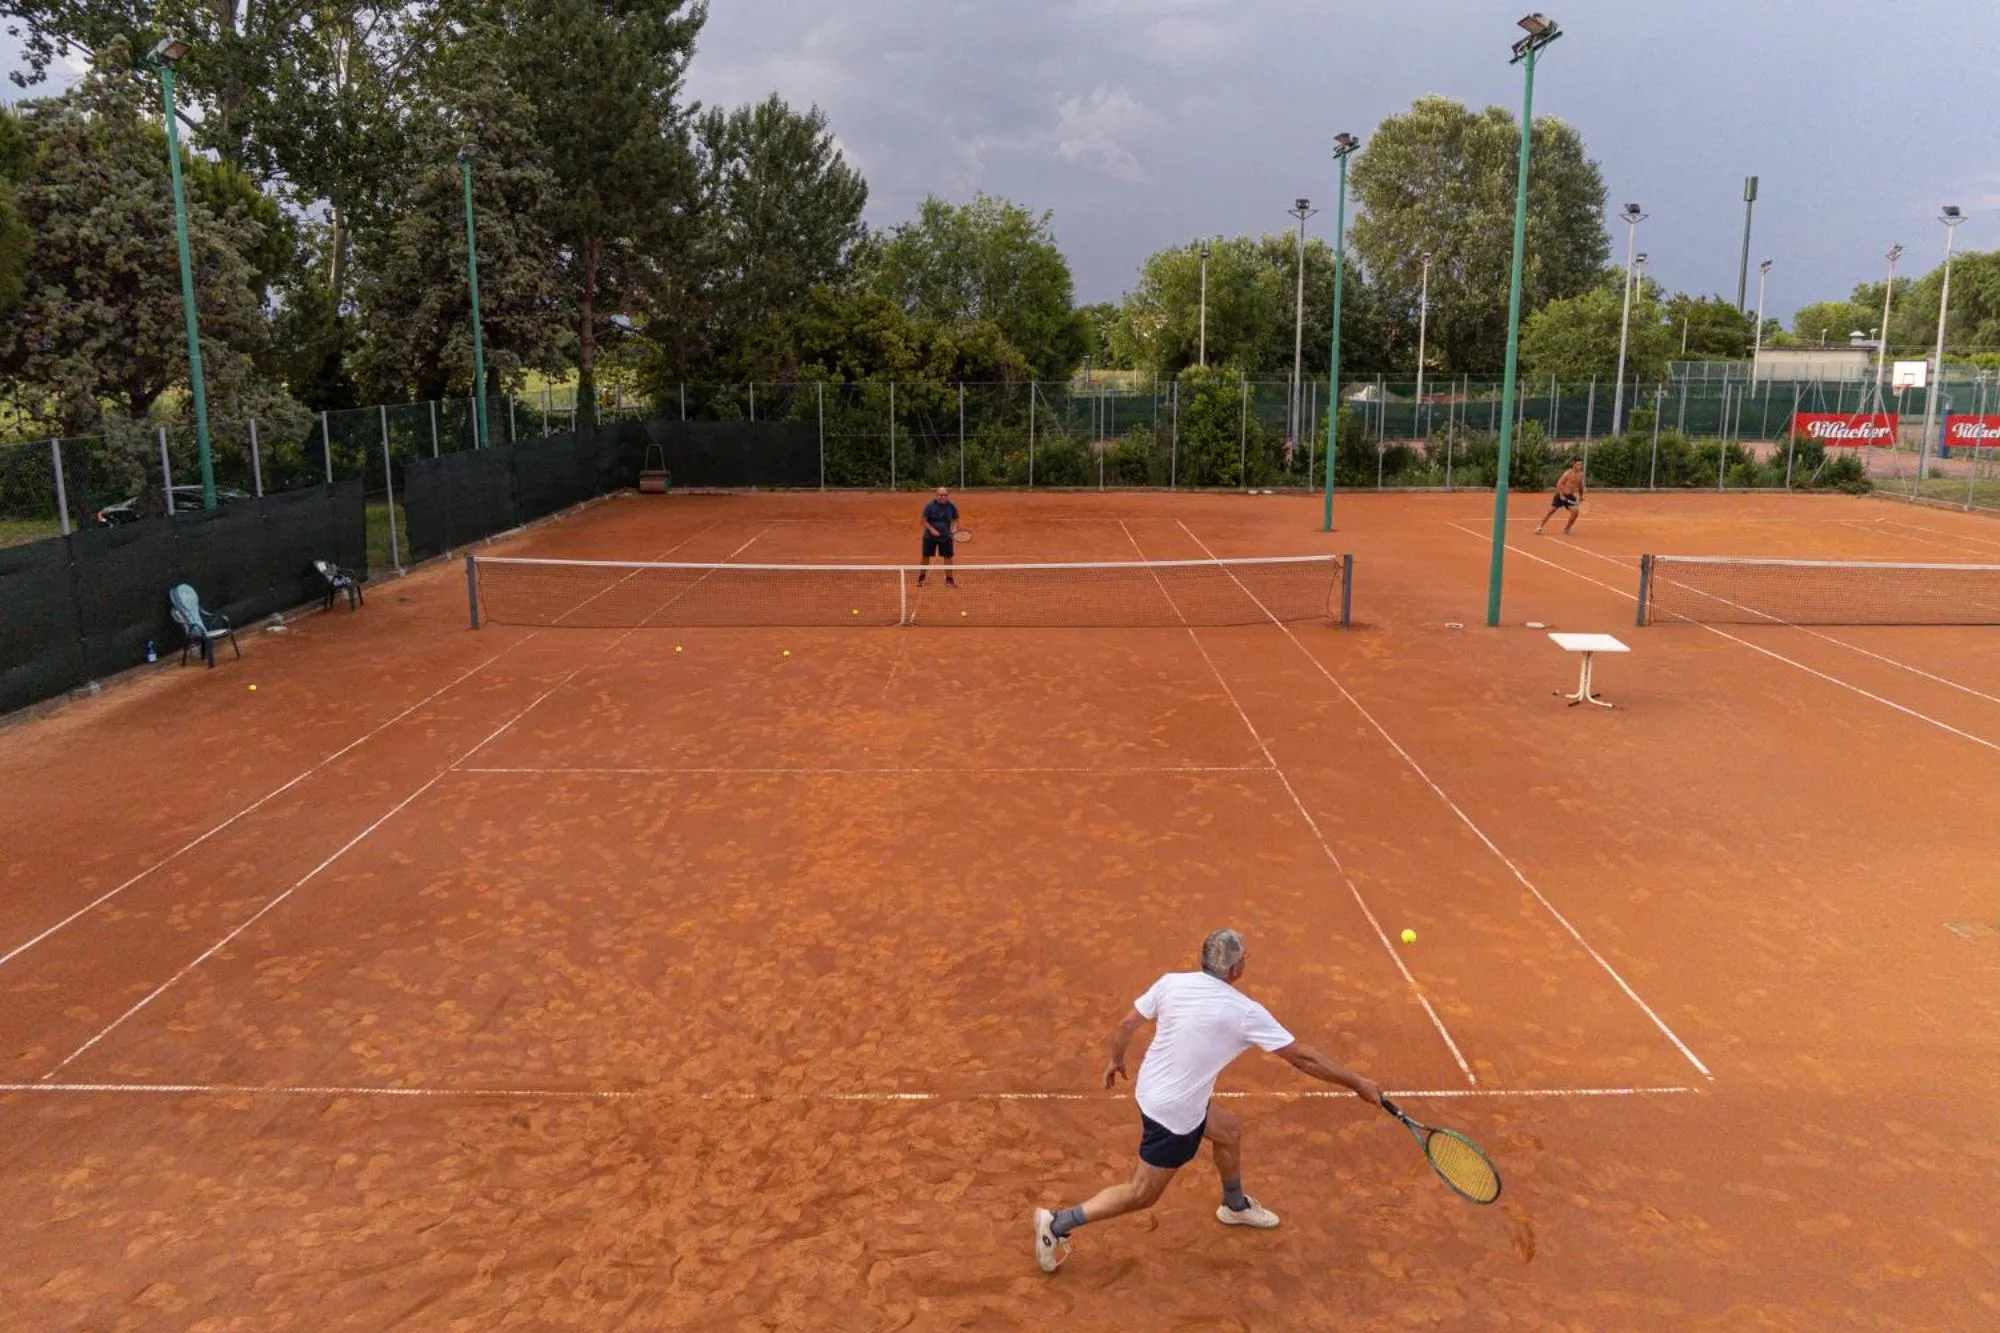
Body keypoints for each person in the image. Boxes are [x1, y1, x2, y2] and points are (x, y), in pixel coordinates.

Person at [1032, 928, 1384, 1274]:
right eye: (1245, 957)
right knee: (1142, 1193)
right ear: (1236, 971)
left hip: (1152, 1089)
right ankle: (1058, 1223)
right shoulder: (1244, 1011)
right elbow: (1304, 1059)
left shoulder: (1171, 982)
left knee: (1228, 1131)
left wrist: (1117, 1060)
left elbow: (1127, 1024)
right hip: (1174, 1114)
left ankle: (1234, 1205)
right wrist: (1357, 1083)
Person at [918, 486, 958, 586]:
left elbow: (955, 518)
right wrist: (932, 529)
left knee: (948, 557)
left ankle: (949, 579)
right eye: (941, 495)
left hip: (946, 536)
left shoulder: (951, 505)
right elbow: (923, 520)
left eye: (945, 495)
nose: (943, 497)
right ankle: (922, 578)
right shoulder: (929, 506)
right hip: (929, 536)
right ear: (936, 495)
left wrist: (953, 528)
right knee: (925, 556)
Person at [1535, 461, 1586, 535]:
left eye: (1581, 464)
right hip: (1561, 494)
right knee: (1552, 511)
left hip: (1570, 496)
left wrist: (1581, 496)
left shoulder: (1581, 475)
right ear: (1573, 464)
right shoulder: (1567, 473)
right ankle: (1539, 527)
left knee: (1575, 512)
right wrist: (1561, 495)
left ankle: (1567, 528)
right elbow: (1559, 484)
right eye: (1578, 464)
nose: (1580, 466)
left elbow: (1580, 487)